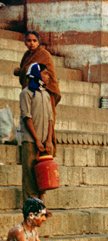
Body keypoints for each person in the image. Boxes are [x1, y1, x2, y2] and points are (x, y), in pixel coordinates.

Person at [19, 62, 55, 202]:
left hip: (45, 142)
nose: (48, 77)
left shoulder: (45, 94)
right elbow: (27, 118)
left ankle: (40, 204)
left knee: (43, 175)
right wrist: (37, 140)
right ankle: (29, 208)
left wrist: (49, 140)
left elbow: (50, 119)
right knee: (29, 175)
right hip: (30, 140)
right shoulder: (26, 93)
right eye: (45, 73)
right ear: (37, 74)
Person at [13, 31, 61, 112]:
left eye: (34, 41)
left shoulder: (44, 54)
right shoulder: (26, 55)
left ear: (38, 42)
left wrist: (19, 71)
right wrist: (21, 71)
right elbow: (25, 69)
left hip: (45, 89)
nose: (32, 43)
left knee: (44, 116)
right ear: (25, 42)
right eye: (29, 41)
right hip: (30, 89)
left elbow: (31, 69)